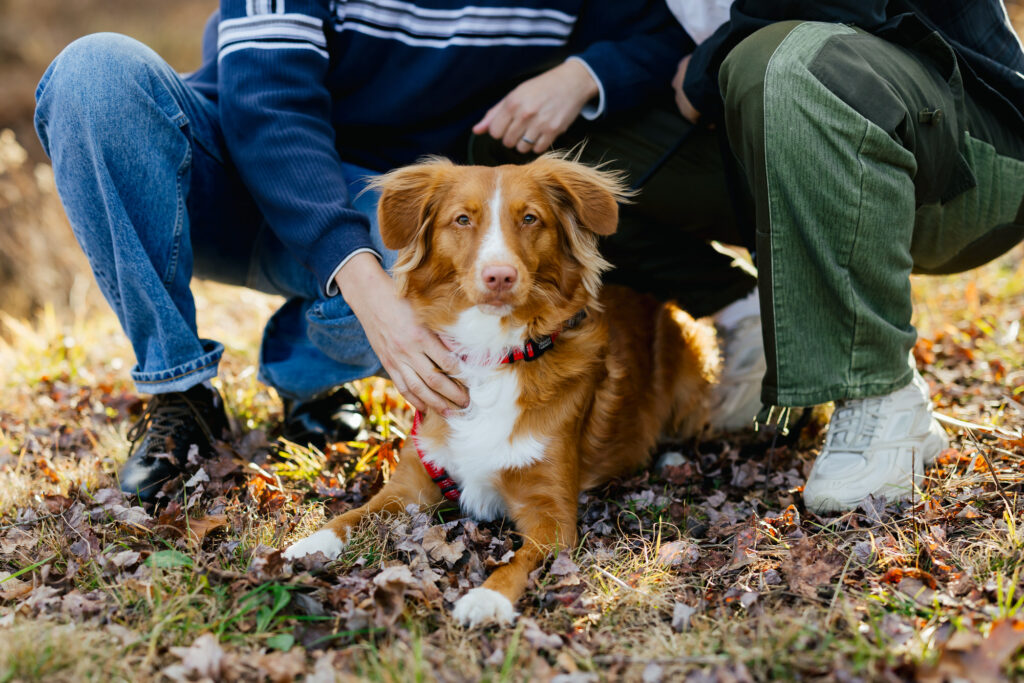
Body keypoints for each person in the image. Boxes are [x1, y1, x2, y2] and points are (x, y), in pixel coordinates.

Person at [33, 1, 699, 500]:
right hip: (228, 179)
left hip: (400, 209)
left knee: (430, 270)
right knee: (94, 73)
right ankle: (180, 393)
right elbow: (270, 110)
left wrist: (584, 73)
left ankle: (309, 372)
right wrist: (367, 290)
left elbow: (667, 32)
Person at [668, 0, 1024, 512]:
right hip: (758, 130)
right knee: (561, 145)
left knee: (785, 61)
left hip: (971, 136)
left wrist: (704, 65)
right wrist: (592, 74)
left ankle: (879, 392)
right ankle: (753, 318)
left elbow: (835, 5)